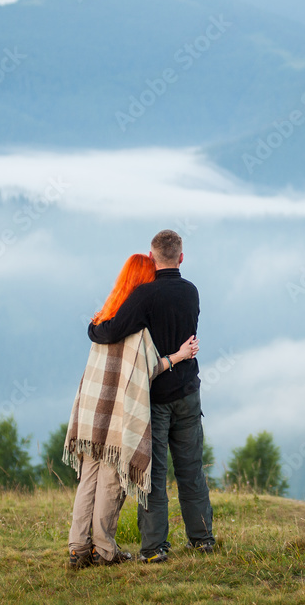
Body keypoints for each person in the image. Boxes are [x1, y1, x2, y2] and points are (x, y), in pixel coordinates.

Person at [64, 253, 199, 568]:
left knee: (88, 479)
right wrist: (179, 356)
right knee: (112, 480)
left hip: (88, 412)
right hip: (115, 418)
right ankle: (103, 550)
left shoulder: (104, 318)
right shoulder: (137, 330)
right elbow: (147, 370)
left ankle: (77, 548)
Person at [88, 230, 215, 563]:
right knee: (191, 470)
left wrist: (93, 328)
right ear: (181, 257)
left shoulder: (144, 295)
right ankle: (202, 539)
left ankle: (155, 549)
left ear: (152, 256)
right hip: (189, 391)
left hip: (155, 397)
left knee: (154, 475)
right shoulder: (191, 292)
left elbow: (112, 331)